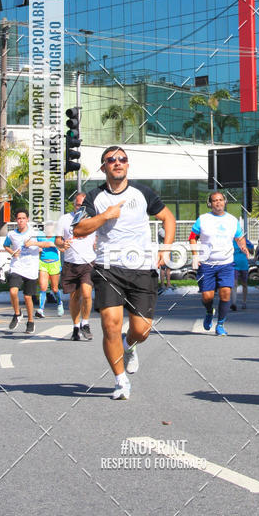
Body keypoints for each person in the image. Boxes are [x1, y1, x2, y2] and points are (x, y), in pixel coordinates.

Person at [73, 146, 176, 400]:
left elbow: (168, 218)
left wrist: (165, 248)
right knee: (110, 324)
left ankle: (129, 345)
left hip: (142, 268)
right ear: (103, 167)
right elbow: (78, 229)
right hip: (108, 268)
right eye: (111, 160)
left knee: (142, 330)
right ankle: (120, 381)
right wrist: (106, 215)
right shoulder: (93, 198)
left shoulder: (143, 193)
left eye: (122, 159)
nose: (117, 162)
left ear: (127, 165)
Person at [189, 192, 249, 335]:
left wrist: (243, 246)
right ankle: (209, 311)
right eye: (215, 200)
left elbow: (239, 237)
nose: (218, 202)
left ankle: (220, 324)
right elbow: (192, 237)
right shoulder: (203, 219)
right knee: (207, 296)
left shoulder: (232, 220)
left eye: (221, 200)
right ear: (210, 203)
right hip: (206, 264)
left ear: (225, 202)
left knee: (226, 293)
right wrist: (195, 255)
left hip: (226, 263)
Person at [4, 209, 54, 334]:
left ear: (27, 219)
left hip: (30, 268)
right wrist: (12, 252)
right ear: (16, 220)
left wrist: (33, 243)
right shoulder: (11, 234)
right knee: (13, 291)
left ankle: (30, 321)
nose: (21, 221)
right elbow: (6, 245)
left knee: (27, 297)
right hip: (17, 266)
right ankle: (17, 313)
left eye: (23, 218)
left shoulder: (35, 232)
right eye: (18, 218)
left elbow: (48, 243)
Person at [55, 192, 96, 341]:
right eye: (78, 205)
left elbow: (99, 237)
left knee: (86, 293)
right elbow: (57, 241)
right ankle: (76, 326)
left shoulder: (93, 219)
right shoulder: (65, 219)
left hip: (88, 262)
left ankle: (85, 323)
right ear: (74, 205)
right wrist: (62, 244)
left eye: (84, 205)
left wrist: (97, 243)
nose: (81, 208)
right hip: (71, 263)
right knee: (74, 297)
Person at [36, 222, 64, 318]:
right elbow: (35, 244)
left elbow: (63, 249)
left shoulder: (56, 237)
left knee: (54, 288)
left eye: (51, 227)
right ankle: (41, 309)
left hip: (54, 263)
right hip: (43, 263)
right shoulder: (40, 236)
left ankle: (59, 303)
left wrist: (54, 245)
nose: (49, 229)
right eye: (47, 227)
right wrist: (38, 248)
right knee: (43, 287)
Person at [230, 237, 254, 311]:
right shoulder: (231, 241)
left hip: (244, 265)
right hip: (234, 265)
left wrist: (246, 247)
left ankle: (244, 302)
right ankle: (233, 303)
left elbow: (252, 252)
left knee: (244, 284)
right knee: (234, 284)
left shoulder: (245, 241)